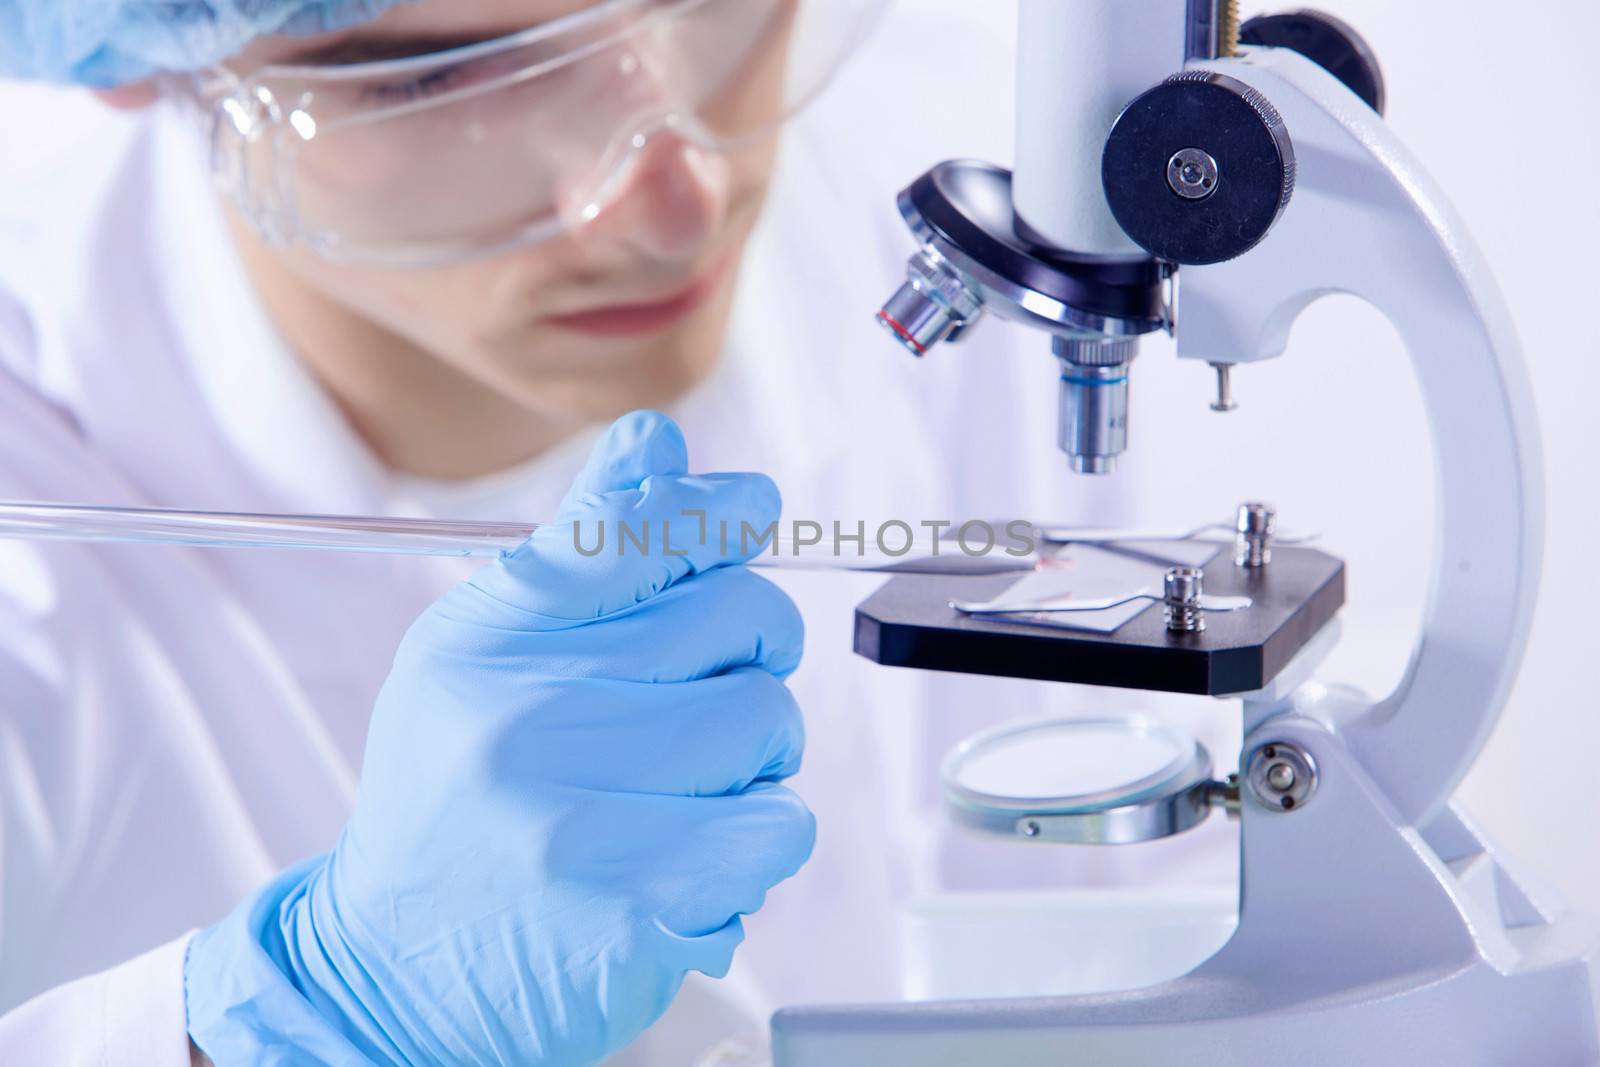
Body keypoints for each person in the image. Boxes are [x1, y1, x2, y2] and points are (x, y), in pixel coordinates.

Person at [0, 1, 1241, 1062]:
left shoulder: (914, 263)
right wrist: (305, 1022)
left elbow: (1118, 908)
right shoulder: (30, 552)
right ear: (151, 49)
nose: (671, 201)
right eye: (443, 73)